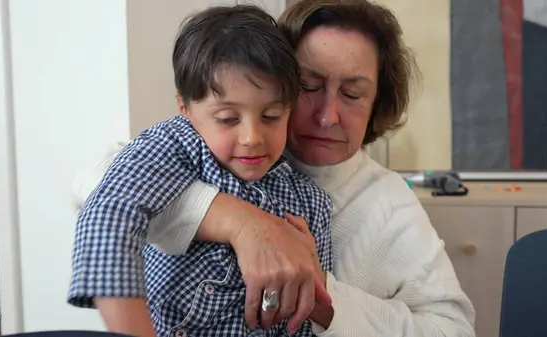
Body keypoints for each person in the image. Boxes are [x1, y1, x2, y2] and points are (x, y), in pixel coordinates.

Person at [74, 0, 477, 336]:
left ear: (377, 104)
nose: (326, 116)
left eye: (353, 94)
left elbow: (453, 330)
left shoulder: (386, 204)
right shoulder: (206, 147)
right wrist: (239, 221)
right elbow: (98, 182)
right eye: (309, 87)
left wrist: (324, 296)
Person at [67, 4, 335, 337]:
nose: (252, 138)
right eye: (227, 119)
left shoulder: (312, 204)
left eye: (271, 117)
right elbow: (109, 214)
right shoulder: (174, 147)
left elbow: (312, 320)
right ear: (185, 108)